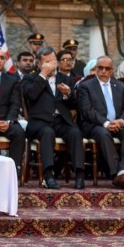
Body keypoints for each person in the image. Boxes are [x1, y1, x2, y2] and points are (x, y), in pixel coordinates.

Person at [21, 46, 85, 189]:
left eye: (53, 61)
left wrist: (68, 94)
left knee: (75, 132)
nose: (51, 65)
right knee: (47, 133)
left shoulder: (65, 79)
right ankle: (48, 175)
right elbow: (31, 95)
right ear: (38, 64)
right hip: (39, 122)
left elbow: (75, 105)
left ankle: (79, 175)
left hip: (61, 121)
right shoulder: (30, 78)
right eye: (47, 62)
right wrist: (43, 75)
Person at [77, 56, 124, 189]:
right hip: (95, 125)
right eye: (100, 68)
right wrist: (106, 123)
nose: (103, 71)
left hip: (117, 124)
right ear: (96, 68)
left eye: (107, 68)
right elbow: (87, 111)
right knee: (103, 134)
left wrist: (121, 122)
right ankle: (116, 173)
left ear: (112, 70)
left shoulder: (120, 86)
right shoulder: (86, 86)